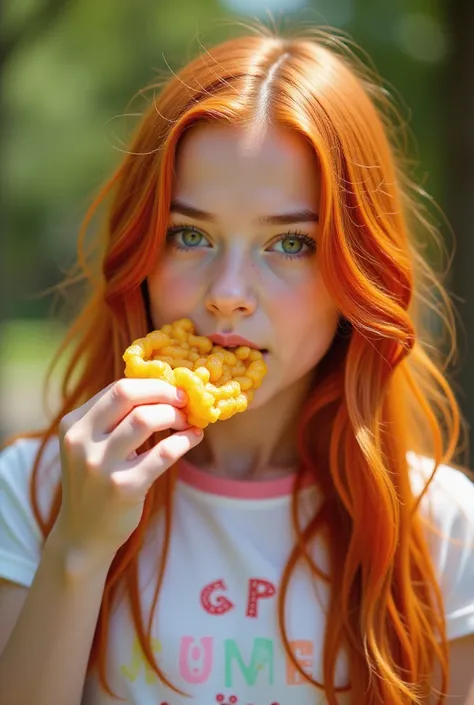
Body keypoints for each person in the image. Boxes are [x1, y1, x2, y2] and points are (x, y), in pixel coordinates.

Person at [0, 26, 473, 705]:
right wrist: (78, 548)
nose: (228, 290)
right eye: (190, 234)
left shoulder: (439, 527)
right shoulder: (39, 491)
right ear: (141, 252)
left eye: (289, 243)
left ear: (358, 271)